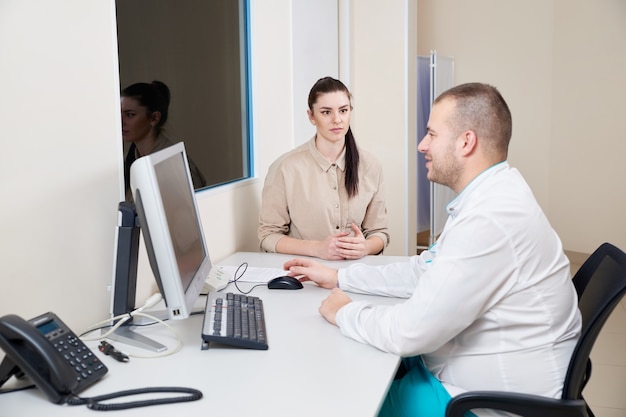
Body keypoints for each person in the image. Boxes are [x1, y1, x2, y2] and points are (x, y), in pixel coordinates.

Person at [282, 83, 582, 416]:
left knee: (347, 401)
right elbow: (423, 270)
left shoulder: (489, 218)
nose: (421, 145)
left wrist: (344, 312)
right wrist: (341, 277)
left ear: (466, 142)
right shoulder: (492, 195)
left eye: (432, 134)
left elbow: (410, 332)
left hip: (481, 401)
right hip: (480, 369)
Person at [258, 76, 389, 260]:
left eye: (343, 110)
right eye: (326, 112)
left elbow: (380, 233)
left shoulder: (371, 166)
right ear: (311, 116)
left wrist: (365, 247)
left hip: (356, 274)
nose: (337, 119)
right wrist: (316, 248)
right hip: (303, 275)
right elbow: (268, 236)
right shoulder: (285, 168)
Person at [121, 80, 206, 201]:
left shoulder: (177, 167)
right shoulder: (129, 161)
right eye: (119, 114)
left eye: (130, 115)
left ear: (154, 118)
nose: (121, 121)